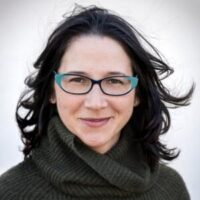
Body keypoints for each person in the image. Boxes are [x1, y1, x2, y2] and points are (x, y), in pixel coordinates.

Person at [0, 5, 194, 200]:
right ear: (52, 90)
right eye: (77, 80)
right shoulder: (9, 192)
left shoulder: (171, 189)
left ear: (137, 93)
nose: (95, 103)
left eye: (114, 81)